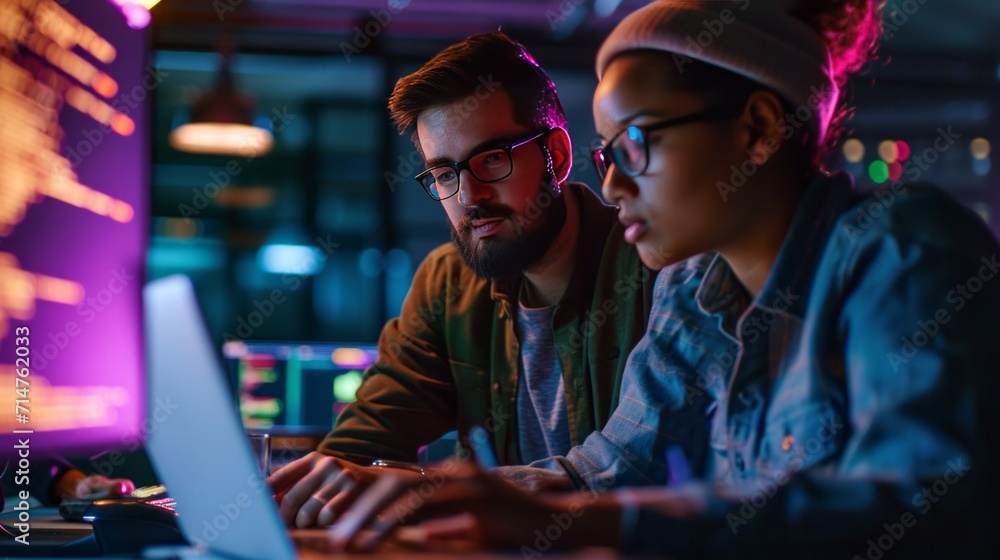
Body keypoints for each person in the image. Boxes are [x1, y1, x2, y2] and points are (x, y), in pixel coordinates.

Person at [325, 1, 1000, 557]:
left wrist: (573, 520)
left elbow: (919, 507)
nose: (612, 185)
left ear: (760, 129)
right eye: (607, 155)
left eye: (635, 144)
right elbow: (614, 467)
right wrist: (435, 493)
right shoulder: (695, 286)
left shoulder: (902, 249)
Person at [267, 31, 655, 529]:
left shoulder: (655, 266)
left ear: (556, 157)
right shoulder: (447, 283)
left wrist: (430, 491)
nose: (469, 196)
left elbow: (638, 470)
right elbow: (366, 440)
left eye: (492, 159)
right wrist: (304, 489)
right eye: (444, 174)